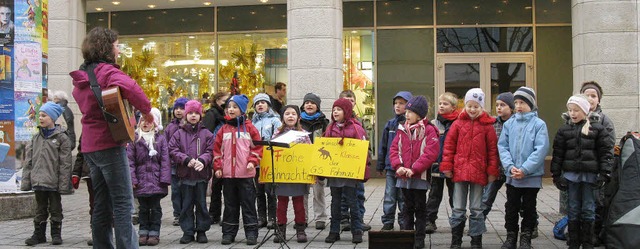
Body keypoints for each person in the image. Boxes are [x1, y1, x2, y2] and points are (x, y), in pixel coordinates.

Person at [71, 26, 153, 249]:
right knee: (123, 203)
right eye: (117, 46)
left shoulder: (82, 76)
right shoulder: (107, 72)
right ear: (106, 48)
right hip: (110, 143)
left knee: (101, 203)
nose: (118, 51)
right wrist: (147, 112)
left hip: (90, 146)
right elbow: (134, 90)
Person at [551, 95, 613, 249]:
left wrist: (604, 173)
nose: (573, 113)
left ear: (585, 111)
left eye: (576, 110)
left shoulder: (598, 129)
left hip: (590, 177)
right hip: (571, 177)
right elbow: (558, 154)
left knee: (588, 208)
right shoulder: (564, 130)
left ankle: (587, 242)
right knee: (573, 208)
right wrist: (556, 175)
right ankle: (573, 242)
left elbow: (605, 153)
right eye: (570, 110)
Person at [440, 88, 500, 249]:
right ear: (465, 105)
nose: (472, 109)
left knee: (476, 208)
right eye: (469, 106)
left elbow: (492, 151)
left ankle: (476, 240)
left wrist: (492, 171)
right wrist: (447, 166)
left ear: (482, 107)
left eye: (476, 106)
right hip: (459, 171)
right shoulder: (458, 124)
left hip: (479, 173)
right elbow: (449, 147)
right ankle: (456, 240)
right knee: (458, 208)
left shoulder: (488, 127)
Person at [498, 86, 549, 249]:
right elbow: (503, 147)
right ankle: (511, 236)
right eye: (517, 102)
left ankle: (526, 236)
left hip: (531, 176)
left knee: (529, 207)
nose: (519, 106)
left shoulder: (539, 124)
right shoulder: (509, 124)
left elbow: (540, 149)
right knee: (511, 207)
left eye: (523, 102)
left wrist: (525, 169)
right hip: (512, 176)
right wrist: (510, 166)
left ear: (531, 104)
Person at [389, 95, 440, 248]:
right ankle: (407, 235)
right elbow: (394, 149)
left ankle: (419, 238)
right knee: (406, 207)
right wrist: (399, 166)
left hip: (419, 177)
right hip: (404, 176)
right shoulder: (402, 129)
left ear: (419, 114)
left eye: (410, 112)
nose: (407, 115)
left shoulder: (429, 130)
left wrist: (414, 169)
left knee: (420, 207)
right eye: (406, 112)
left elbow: (430, 153)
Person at [213, 94, 263, 246]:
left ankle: (251, 233)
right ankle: (228, 233)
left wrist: (252, 161)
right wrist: (218, 167)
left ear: (242, 110)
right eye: (229, 107)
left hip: (246, 175)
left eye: (235, 107)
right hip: (228, 175)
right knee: (230, 205)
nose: (231, 109)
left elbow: (258, 147)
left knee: (248, 205)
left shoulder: (250, 128)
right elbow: (216, 151)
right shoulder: (223, 130)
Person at [21, 102, 72, 246]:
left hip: (53, 181)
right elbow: (28, 161)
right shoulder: (36, 137)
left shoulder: (62, 138)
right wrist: (27, 181)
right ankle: (38, 234)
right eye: (39, 115)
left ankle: (56, 233)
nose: (40, 118)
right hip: (38, 180)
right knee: (40, 208)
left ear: (53, 118)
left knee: (55, 208)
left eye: (44, 115)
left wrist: (63, 184)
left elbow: (65, 163)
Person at [324, 97, 370, 244]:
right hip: (335, 173)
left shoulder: (356, 128)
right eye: (334, 109)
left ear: (347, 111)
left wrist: (363, 170)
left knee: (353, 202)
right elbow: (324, 148)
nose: (335, 112)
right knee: (335, 202)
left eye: (339, 109)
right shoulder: (330, 128)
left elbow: (363, 150)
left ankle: (357, 230)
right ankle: (334, 231)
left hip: (350, 174)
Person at [168, 100, 214, 244]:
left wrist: (203, 160)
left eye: (196, 113)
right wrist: (186, 159)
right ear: (186, 115)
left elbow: (211, 150)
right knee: (186, 205)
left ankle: (201, 230)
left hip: (201, 176)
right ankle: (187, 231)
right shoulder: (178, 133)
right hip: (185, 175)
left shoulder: (206, 133)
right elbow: (173, 150)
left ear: (200, 116)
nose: (193, 116)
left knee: (201, 204)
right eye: (190, 113)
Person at [579, 81, 616, 247]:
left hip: (595, 169)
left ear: (598, 100)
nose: (590, 98)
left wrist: (604, 169)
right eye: (586, 95)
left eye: (593, 96)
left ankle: (594, 233)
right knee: (579, 202)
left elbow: (608, 146)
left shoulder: (605, 121)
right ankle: (579, 233)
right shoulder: (575, 118)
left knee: (597, 202)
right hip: (579, 169)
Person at [128, 108, 170, 246]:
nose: (145, 123)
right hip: (141, 180)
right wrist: (133, 179)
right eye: (143, 121)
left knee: (155, 208)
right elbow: (130, 161)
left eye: (149, 121)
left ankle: (154, 232)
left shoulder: (160, 139)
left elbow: (165, 160)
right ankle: (143, 231)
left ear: (155, 124)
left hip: (156, 180)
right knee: (143, 208)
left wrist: (164, 179)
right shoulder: (134, 139)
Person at [272, 105, 312, 243]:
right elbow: (271, 152)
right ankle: (280, 229)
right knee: (281, 203)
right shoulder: (277, 134)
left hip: (298, 175)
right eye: (287, 113)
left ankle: (300, 229)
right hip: (282, 175)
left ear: (298, 117)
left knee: (299, 203)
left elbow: (309, 153)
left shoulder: (304, 135)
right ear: (282, 117)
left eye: (293, 114)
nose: (290, 116)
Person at [425, 92, 460, 233]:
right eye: (440, 103)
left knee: (455, 194)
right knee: (434, 194)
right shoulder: (433, 123)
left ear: (453, 107)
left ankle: (457, 220)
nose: (441, 106)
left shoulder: (458, 123)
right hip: (436, 165)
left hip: (453, 166)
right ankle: (429, 220)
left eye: (445, 104)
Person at [377, 91, 413, 231]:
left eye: (401, 103)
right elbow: (383, 146)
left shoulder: (410, 124)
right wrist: (380, 165)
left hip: (405, 168)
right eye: (395, 103)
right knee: (389, 196)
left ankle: (404, 220)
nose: (397, 106)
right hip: (391, 167)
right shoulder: (390, 125)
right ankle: (388, 221)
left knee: (403, 197)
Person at [338, 90, 371, 232]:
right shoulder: (335, 122)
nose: (348, 103)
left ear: (355, 103)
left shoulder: (360, 122)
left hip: (356, 164)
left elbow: (366, 142)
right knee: (343, 194)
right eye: (344, 100)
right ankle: (343, 219)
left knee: (358, 193)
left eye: (350, 100)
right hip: (340, 165)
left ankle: (358, 219)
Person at [299, 92, 330, 230]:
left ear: (318, 106)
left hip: (318, 161)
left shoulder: (324, 122)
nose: (309, 105)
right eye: (307, 103)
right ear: (303, 106)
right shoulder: (298, 122)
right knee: (302, 192)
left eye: (312, 103)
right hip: (302, 161)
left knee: (319, 191)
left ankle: (320, 218)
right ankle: (302, 218)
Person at [251, 93, 282, 229]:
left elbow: (279, 137)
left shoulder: (275, 120)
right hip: (257, 162)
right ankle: (261, 217)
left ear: (268, 105)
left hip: (270, 161)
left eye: (263, 102)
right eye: (257, 103)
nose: (260, 105)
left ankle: (272, 217)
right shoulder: (253, 122)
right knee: (259, 190)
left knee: (270, 191)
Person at [481, 92, 515, 217]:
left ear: (511, 107)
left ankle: (533, 225)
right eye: (497, 105)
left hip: (512, 167)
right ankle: (478, 224)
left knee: (519, 200)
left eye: (503, 105)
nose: (499, 107)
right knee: (486, 198)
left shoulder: (516, 123)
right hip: (494, 167)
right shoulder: (492, 124)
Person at [202, 92, 229, 224]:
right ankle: (214, 213)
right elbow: (206, 133)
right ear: (218, 100)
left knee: (226, 186)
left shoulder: (225, 114)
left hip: (228, 152)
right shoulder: (212, 114)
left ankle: (220, 214)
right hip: (217, 152)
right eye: (225, 100)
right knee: (217, 185)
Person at [165, 97, 188, 227]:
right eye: (177, 108)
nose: (179, 111)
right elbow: (166, 145)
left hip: (186, 164)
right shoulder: (170, 127)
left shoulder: (189, 125)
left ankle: (186, 213)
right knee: (176, 191)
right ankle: (177, 214)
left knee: (186, 190)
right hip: (174, 165)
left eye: (182, 108)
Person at [71, 134, 94, 246]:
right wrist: (76, 173)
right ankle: (94, 230)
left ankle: (109, 228)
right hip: (90, 173)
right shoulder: (87, 129)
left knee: (110, 204)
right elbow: (81, 154)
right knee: (94, 204)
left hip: (108, 172)